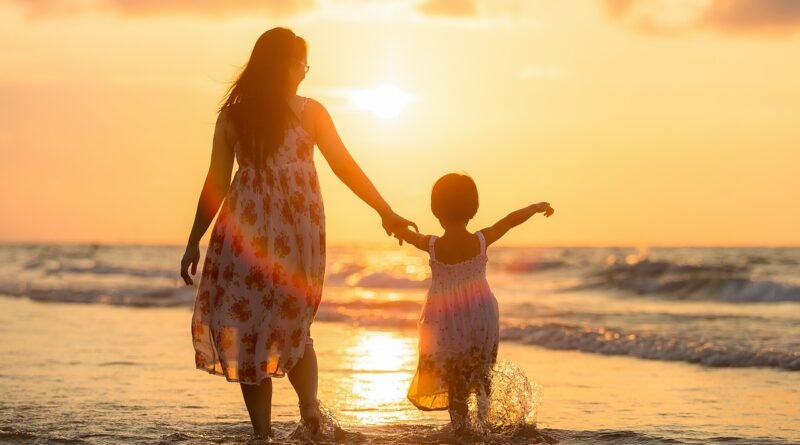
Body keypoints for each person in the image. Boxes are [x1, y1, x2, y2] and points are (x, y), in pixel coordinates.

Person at [179, 27, 416, 439]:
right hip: (294, 233)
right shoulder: (308, 112)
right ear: (286, 65)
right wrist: (385, 211)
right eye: (302, 62)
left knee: (249, 327)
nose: (305, 71)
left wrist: (194, 239)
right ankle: (309, 416)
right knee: (291, 324)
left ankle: (264, 434)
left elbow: (216, 183)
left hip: (245, 234)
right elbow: (344, 166)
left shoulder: (235, 114)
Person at [392, 173, 554, 433]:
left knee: (456, 378)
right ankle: (484, 425)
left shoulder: (433, 245)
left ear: (436, 210)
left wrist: (394, 226)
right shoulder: (480, 240)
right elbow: (511, 220)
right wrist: (536, 207)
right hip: (481, 316)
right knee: (482, 373)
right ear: (473, 208)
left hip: (446, 321)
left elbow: (409, 235)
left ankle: (461, 429)